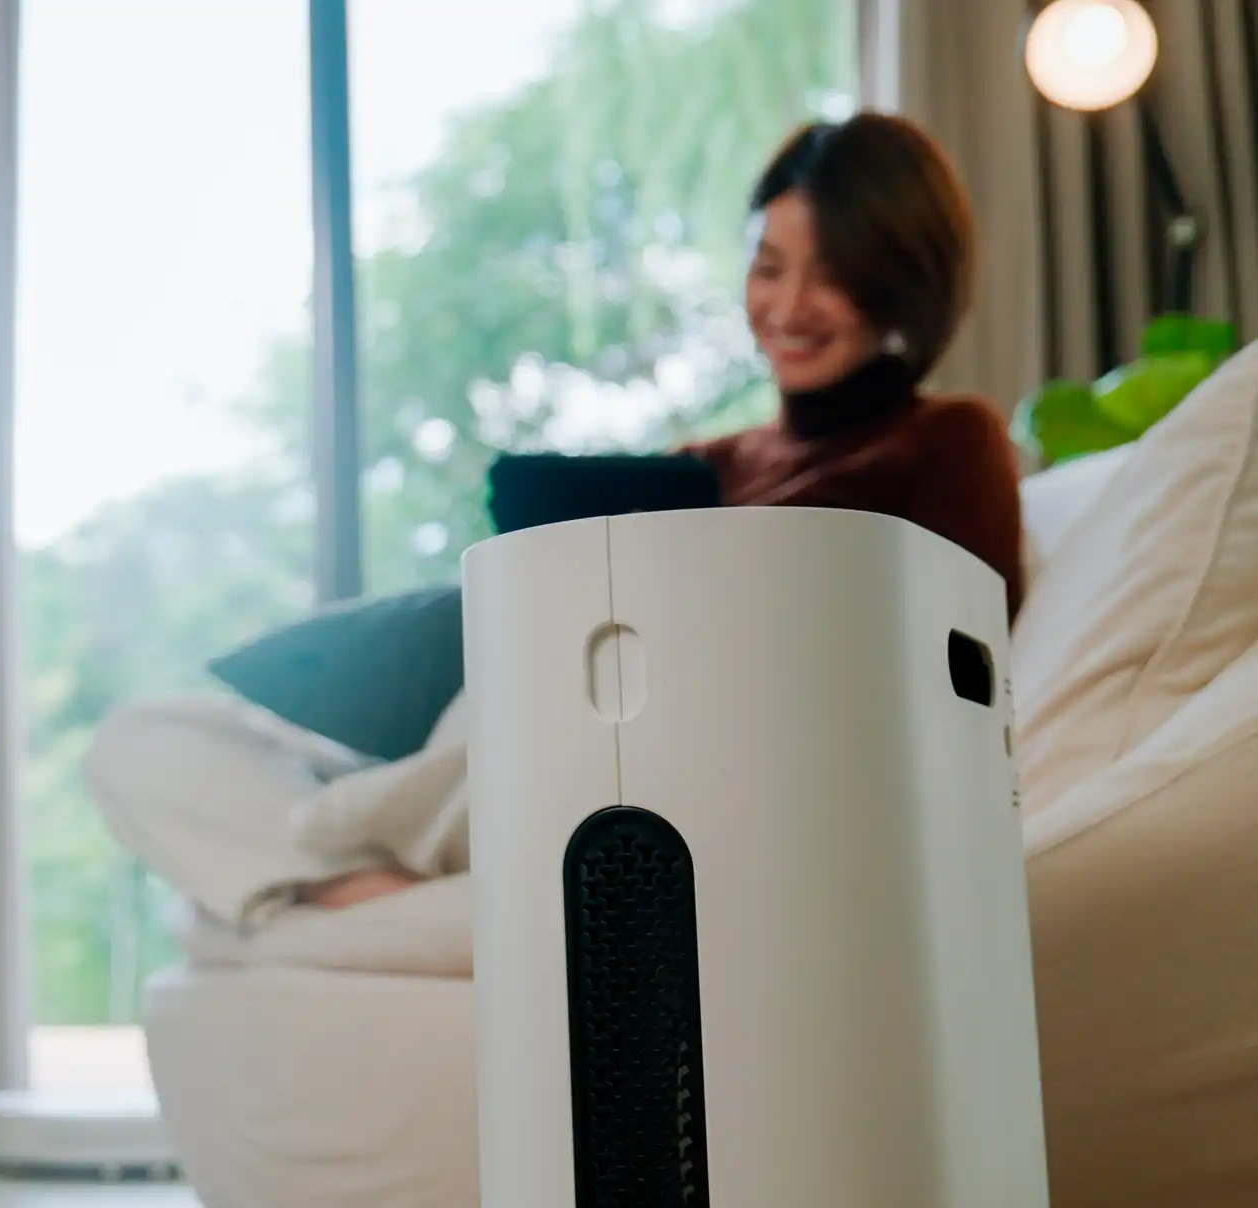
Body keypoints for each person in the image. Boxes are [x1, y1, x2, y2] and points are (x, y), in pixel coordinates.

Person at [84, 112, 1025, 921]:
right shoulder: (703, 465)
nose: (785, 307)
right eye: (767, 267)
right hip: (513, 737)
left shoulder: (947, 439)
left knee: (584, 721)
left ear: (901, 280)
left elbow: (965, 667)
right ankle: (360, 881)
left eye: (830, 275)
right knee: (145, 738)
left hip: (657, 756)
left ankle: (340, 846)